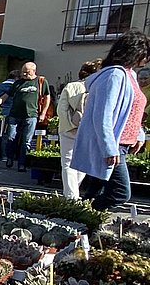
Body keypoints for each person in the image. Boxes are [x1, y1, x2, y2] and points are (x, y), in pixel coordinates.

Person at [75, 32, 150, 212]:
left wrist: (138, 134)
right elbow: (102, 114)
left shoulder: (130, 75)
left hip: (122, 144)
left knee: (93, 192)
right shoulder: (114, 75)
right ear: (135, 51)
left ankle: (79, 221)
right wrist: (109, 148)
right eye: (146, 54)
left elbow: (131, 110)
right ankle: (82, 216)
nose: (147, 59)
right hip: (112, 145)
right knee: (120, 192)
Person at [57, 60, 101, 199]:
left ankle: (71, 196)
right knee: (83, 162)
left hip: (69, 128)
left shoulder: (71, 86)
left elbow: (61, 109)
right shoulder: (99, 87)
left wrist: (69, 125)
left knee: (67, 162)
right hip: (90, 128)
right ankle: (74, 190)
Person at [3, 61, 53, 171]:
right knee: (11, 137)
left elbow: (47, 97)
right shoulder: (18, 83)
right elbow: (7, 94)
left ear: (34, 71)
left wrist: (43, 113)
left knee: (27, 141)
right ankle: (10, 157)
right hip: (15, 115)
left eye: (27, 72)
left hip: (31, 115)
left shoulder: (41, 81)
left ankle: (22, 164)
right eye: (23, 72)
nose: (24, 74)